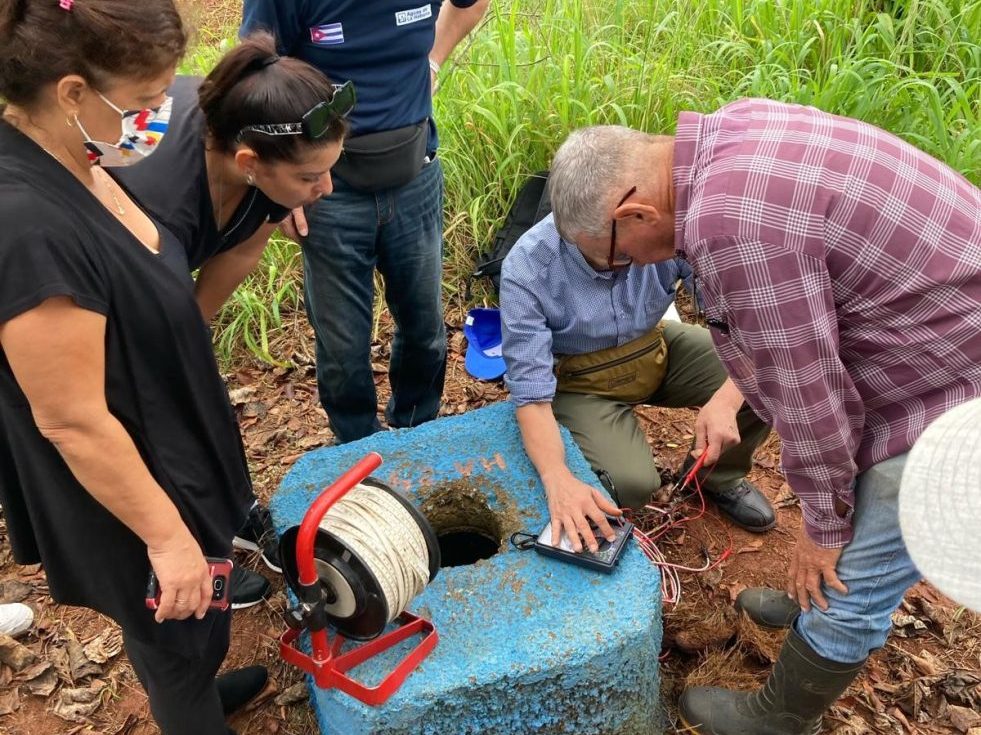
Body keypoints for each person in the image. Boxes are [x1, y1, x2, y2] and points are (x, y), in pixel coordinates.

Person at [544, 102, 980, 734]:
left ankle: (779, 715)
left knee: (858, 563)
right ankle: (815, 605)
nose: (625, 269)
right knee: (847, 524)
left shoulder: (737, 233)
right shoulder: (724, 139)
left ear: (634, 214)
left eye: (615, 256)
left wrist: (826, 526)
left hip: (958, 398)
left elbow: (812, 396)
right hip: (936, 335)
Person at [0, 2, 270, 732]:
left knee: (198, 624)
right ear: (73, 94)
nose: (160, 116)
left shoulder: (76, 156)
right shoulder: (28, 227)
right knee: (176, 633)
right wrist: (168, 538)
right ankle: (193, 713)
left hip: (165, 436)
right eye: (148, 101)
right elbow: (72, 420)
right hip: (129, 483)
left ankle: (201, 692)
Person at [114, 32, 351, 596]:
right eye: (309, 178)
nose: (326, 188)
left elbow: (244, 246)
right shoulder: (156, 209)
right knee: (147, 427)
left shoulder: (257, 130)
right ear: (248, 163)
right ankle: (176, 562)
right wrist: (173, 348)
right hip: (89, 305)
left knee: (201, 395)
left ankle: (231, 514)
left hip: (156, 289)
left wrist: (195, 326)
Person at [241, 0, 490, 444]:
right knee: (342, 349)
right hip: (329, 191)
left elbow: (471, 5)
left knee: (425, 330)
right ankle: (356, 447)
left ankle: (416, 432)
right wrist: (280, 185)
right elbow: (254, 72)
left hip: (415, 176)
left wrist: (434, 60)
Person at [500, 214, 775, 552]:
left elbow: (747, 329)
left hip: (653, 346)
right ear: (572, 231)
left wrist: (728, 401)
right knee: (631, 483)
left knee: (768, 381)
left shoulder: (660, 223)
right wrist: (556, 478)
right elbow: (531, 398)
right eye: (617, 256)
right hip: (581, 380)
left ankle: (715, 478)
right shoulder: (529, 267)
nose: (638, 260)